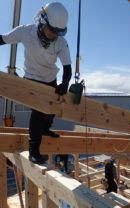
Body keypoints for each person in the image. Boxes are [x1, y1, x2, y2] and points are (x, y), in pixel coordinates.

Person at [0, 2, 72, 164]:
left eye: (57, 32)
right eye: (51, 30)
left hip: (50, 79)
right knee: (39, 113)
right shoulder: (25, 31)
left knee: (53, 108)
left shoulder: (60, 42)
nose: (53, 35)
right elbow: (2, 39)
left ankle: (45, 129)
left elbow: (67, 67)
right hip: (32, 79)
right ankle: (34, 152)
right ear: (42, 20)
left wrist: (64, 83)